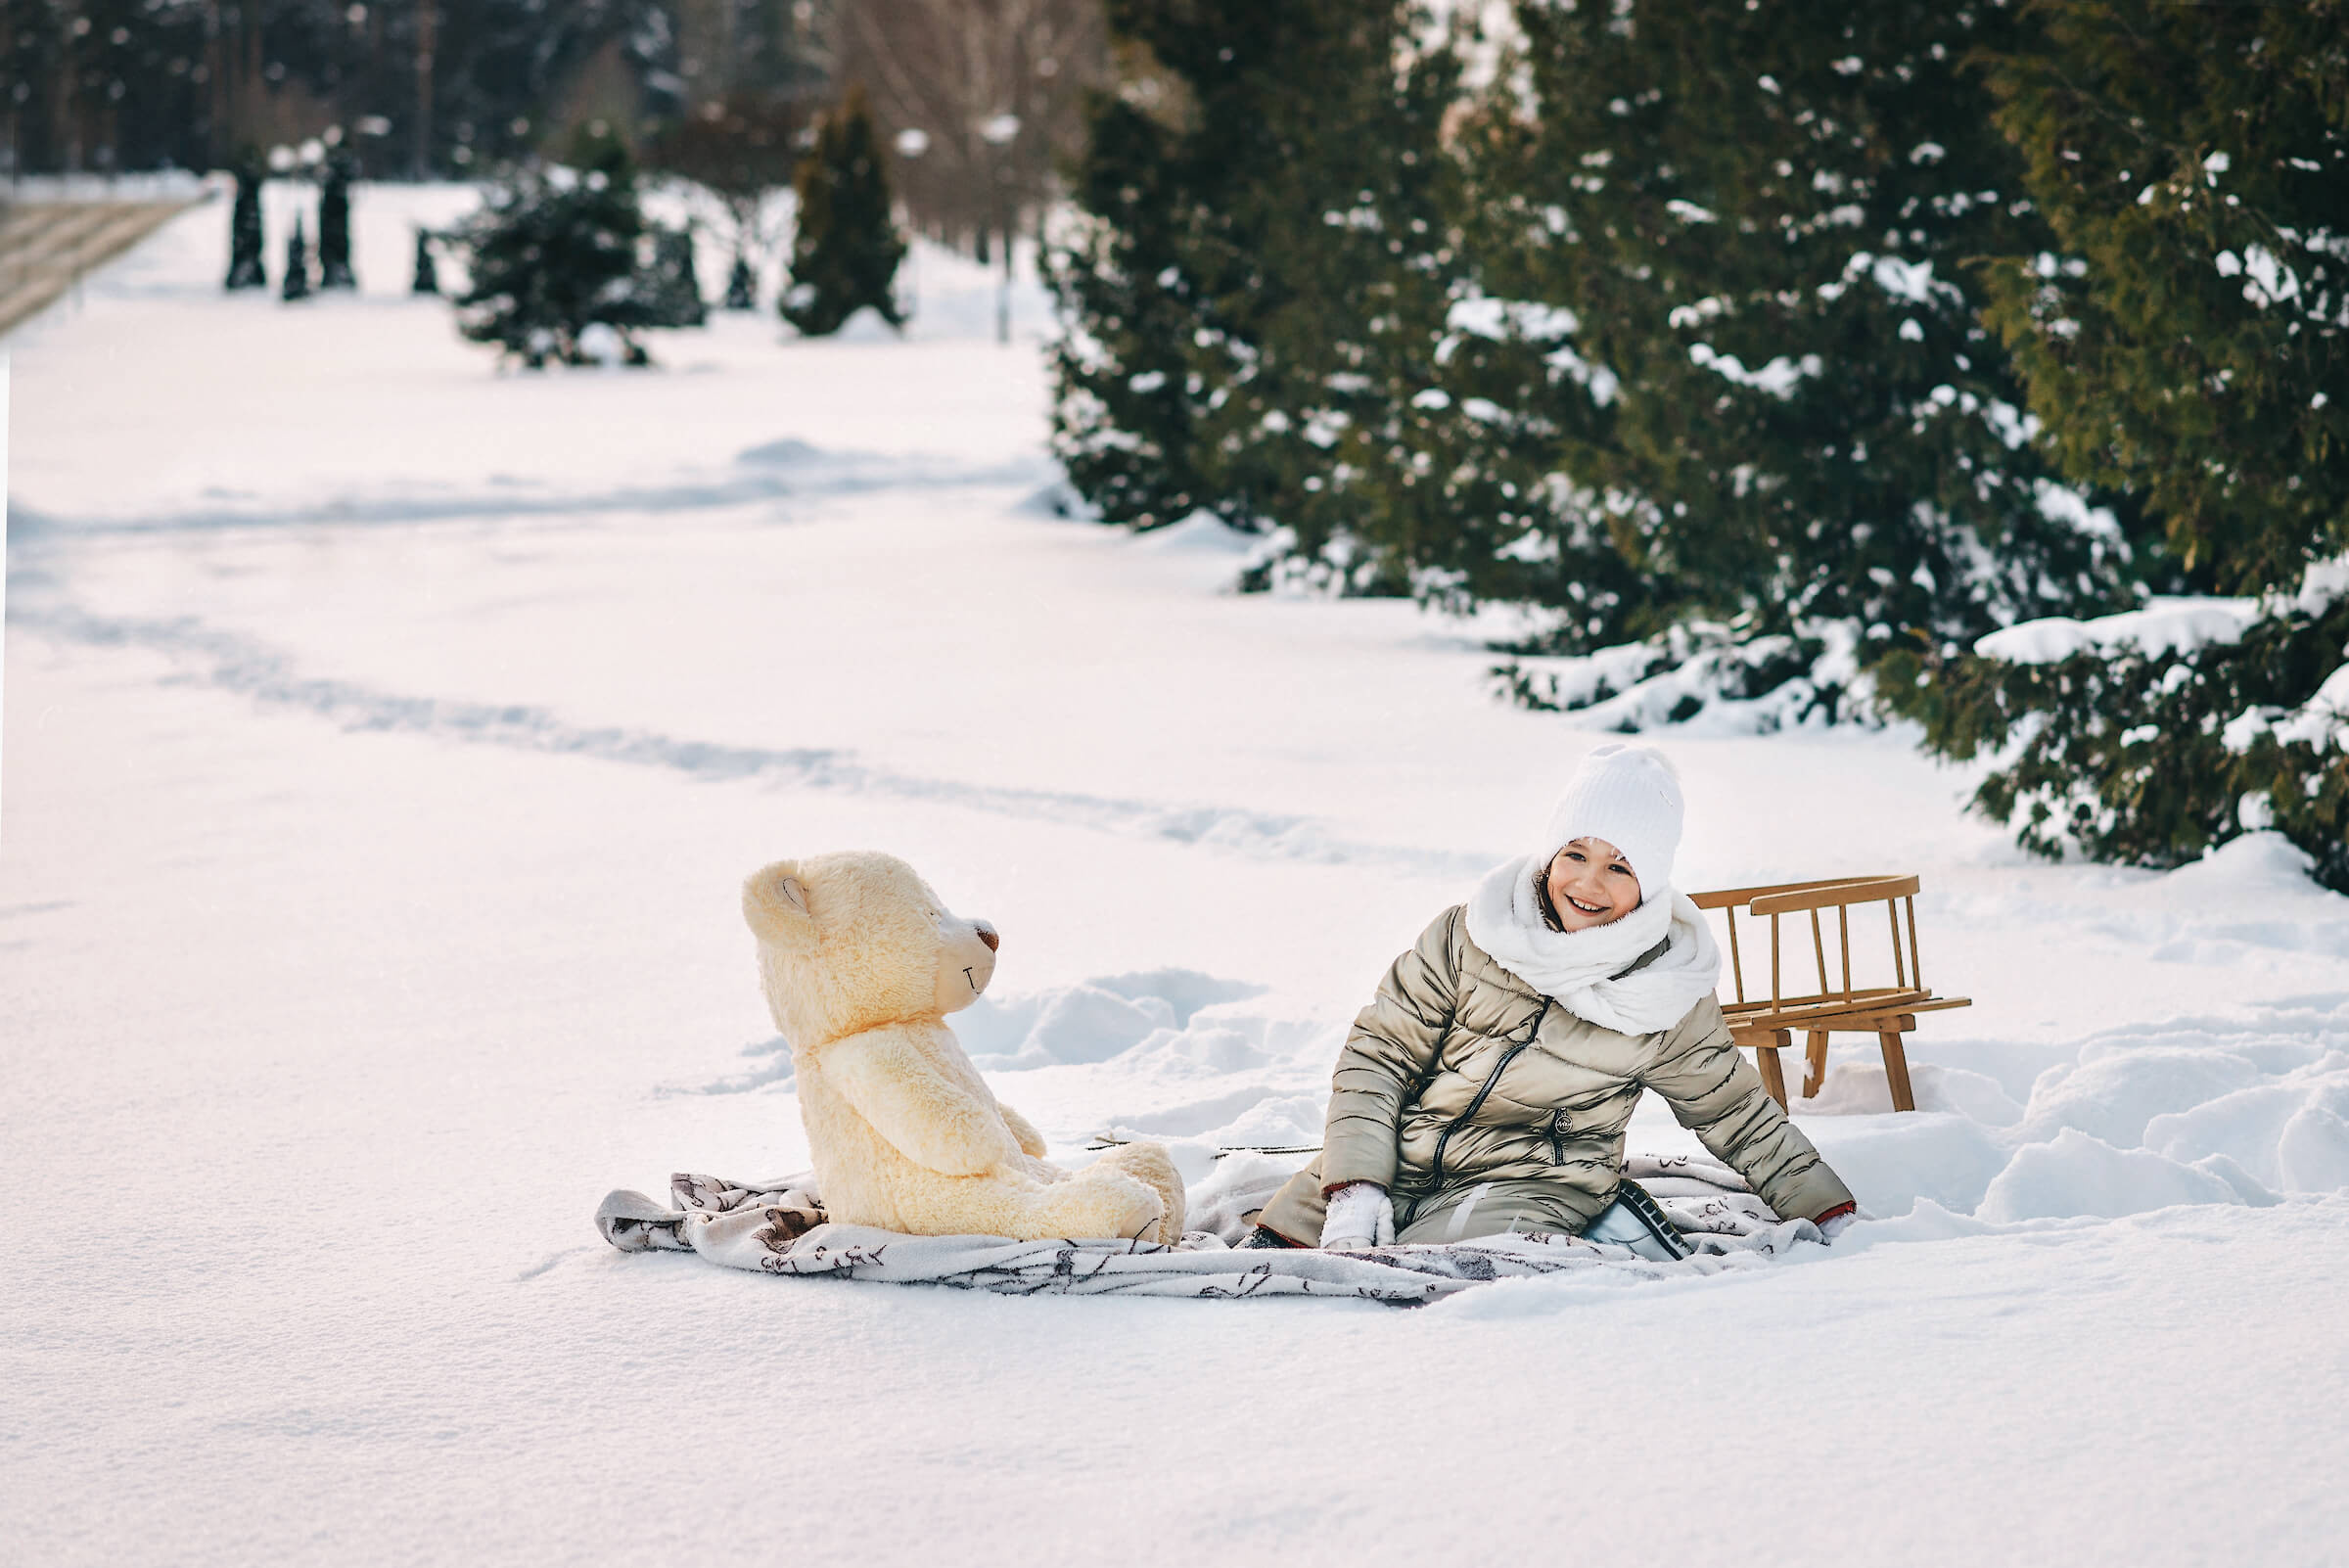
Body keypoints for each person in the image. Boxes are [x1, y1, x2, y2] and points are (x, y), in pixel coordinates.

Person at [1249, 743, 1858, 1253]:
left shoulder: (1664, 987)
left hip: (1535, 1178)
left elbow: (1737, 1114)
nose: (1589, 884)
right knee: (1278, 1255)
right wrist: (1356, 1184)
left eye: (1620, 868)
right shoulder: (1473, 933)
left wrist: (1828, 1211)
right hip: (1402, 1157)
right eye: (1575, 854)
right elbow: (1380, 1055)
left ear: (1650, 884)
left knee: (1424, 1273)